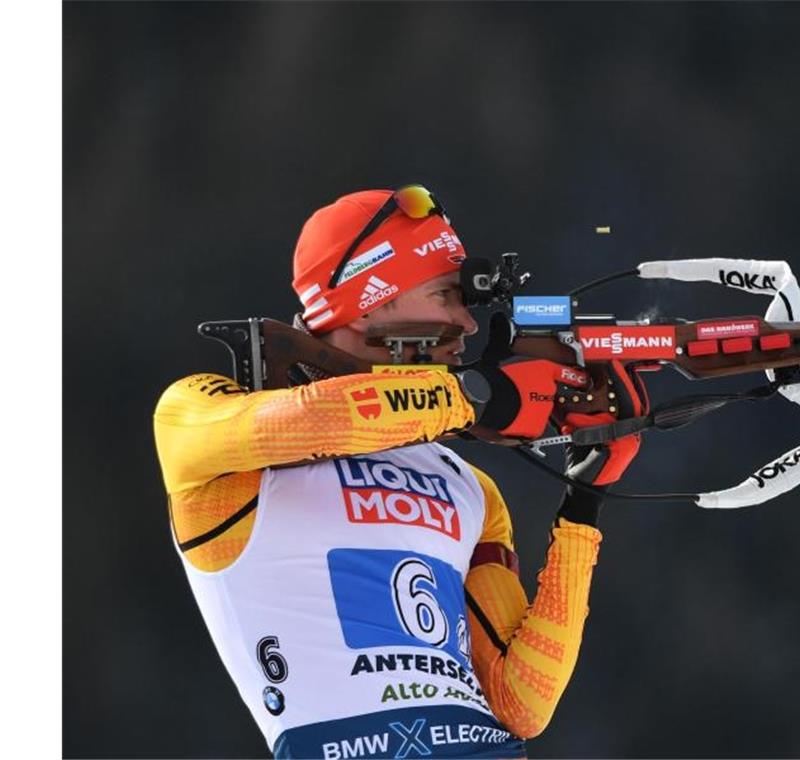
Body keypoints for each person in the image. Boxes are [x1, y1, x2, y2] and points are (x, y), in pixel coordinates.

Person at [152, 186, 649, 759]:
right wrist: (472, 397)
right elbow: (311, 419)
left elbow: (521, 702)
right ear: (369, 305)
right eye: (445, 295)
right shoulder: (201, 416)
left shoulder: (469, 487)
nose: (466, 323)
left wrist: (583, 503)